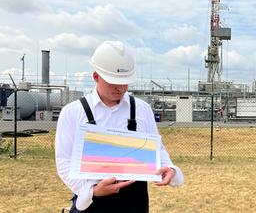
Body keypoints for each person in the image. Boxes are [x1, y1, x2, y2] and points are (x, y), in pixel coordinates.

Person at [55, 41, 184, 212]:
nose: (121, 88)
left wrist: (170, 168)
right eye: (114, 82)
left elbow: (156, 149)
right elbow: (64, 162)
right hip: (93, 200)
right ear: (96, 77)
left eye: (125, 82)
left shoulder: (142, 109)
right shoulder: (72, 113)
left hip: (134, 201)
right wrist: (92, 191)